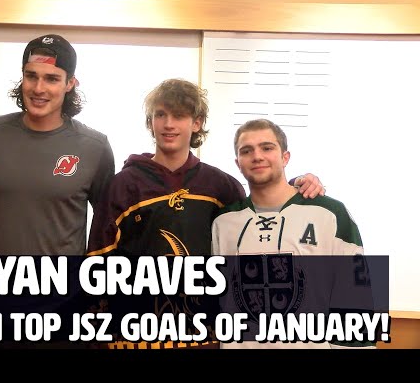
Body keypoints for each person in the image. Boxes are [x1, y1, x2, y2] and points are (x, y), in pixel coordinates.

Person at [86, 78, 325, 349]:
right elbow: (98, 265)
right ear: (150, 122)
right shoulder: (123, 186)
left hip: (207, 336)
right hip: (138, 337)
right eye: (160, 115)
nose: (168, 124)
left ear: (196, 123)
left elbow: (261, 220)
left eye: (179, 115)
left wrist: (297, 184)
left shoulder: (220, 186)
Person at [211, 118, 374, 349]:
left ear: (285, 157)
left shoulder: (330, 213)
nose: (257, 156)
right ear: (238, 163)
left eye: (267, 148)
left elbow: (355, 296)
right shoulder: (223, 221)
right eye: (247, 151)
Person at [0, 34, 115, 257]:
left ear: (70, 83)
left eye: (52, 79)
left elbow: (106, 228)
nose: (39, 88)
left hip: (62, 287)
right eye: (31, 76)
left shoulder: (95, 147)